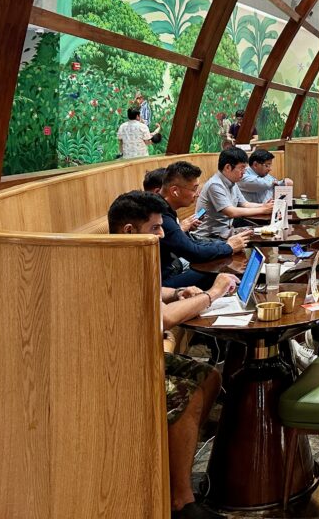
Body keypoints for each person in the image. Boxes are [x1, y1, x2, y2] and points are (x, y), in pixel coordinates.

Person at [108, 190, 236, 519]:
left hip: (144, 354)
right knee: (188, 393)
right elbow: (164, 319)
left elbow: (157, 292)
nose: (163, 235)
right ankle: (180, 501)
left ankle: (175, 471)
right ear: (128, 231)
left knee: (210, 376)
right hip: (122, 368)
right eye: (155, 228)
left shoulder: (133, 256)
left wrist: (178, 291)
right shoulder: (115, 264)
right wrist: (213, 293)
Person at [159, 161, 254, 288]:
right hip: (163, 283)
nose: (197, 193)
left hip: (173, 269)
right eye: (194, 188)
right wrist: (229, 246)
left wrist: (227, 244)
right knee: (222, 274)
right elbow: (193, 252)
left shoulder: (167, 209)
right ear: (175, 191)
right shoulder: (161, 215)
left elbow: (189, 244)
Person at [196, 147, 274, 239]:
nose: (244, 172)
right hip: (208, 237)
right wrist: (263, 210)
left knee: (264, 235)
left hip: (225, 232)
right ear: (228, 167)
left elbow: (245, 204)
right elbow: (231, 212)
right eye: (242, 168)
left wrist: (265, 206)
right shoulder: (215, 185)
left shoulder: (232, 182)